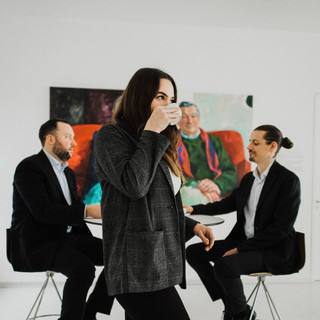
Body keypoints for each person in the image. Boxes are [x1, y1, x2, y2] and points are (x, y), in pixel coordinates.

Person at [94, 67, 214, 320]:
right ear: (140, 96)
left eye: (171, 100)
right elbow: (134, 185)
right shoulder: (110, 136)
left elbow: (160, 201)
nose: (167, 105)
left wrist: (191, 225)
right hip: (135, 263)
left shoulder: (162, 142)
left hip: (159, 259)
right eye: (160, 97)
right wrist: (152, 132)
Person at [185, 125, 301, 320]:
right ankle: (238, 309)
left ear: (272, 147)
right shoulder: (249, 179)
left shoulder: (288, 180)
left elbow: (281, 229)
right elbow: (228, 203)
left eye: (255, 143)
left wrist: (240, 250)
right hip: (245, 243)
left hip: (273, 249)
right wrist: (194, 209)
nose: (248, 147)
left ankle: (238, 315)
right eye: (249, 141)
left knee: (224, 266)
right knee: (194, 253)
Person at [9, 119, 114, 320]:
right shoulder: (29, 167)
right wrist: (89, 211)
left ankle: (89, 311)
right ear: (50, 139)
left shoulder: (67, 172)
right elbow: (42, 212)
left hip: (65, 239)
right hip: (37, 243)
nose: (74, 143)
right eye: (68, 137)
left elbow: (73, 210)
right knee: (83, 269)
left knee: (116, 254)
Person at [177, 101, 237, 205]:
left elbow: (230, 172)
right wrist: (197, 187)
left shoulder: (214, 141)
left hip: (214, 190)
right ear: (178, 121)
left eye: (193, 116)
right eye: (184, 117)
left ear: (199, 119)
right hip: (188, 191)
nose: (190, 121)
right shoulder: (172, 144)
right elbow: (172, 174)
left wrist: (216, 185)